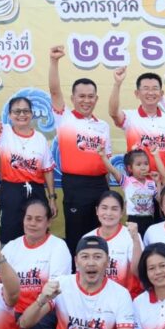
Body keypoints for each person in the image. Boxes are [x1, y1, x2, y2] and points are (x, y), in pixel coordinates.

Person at [47, 45, 112, 251]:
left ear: (96, 99)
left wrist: (107, 189)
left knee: (101, 233)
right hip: (75, 186)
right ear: (73, 98)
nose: (86, 100)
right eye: (81, 96)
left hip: (100, 185)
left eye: (90, 96)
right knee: (77, 235)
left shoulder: (103, 126)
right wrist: (54, 61)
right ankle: (76, 269)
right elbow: (54, 90)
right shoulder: (64, 118)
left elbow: (106, 163)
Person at [0, 197, 72, 329]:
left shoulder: (58, 246)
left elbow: (55, 291)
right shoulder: (12, 246)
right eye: (29, 218)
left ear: (48, 222)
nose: (32, 223)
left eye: (39, 219)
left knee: (39, 325)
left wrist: (30, 314)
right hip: (13, 308)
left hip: (45, 308)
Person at [0, 95, 57, 242]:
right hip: (11, 191)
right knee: (9, 236)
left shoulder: (40, 139)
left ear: (31, 114)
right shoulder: (3, 132)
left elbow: (47, 170)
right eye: (17, 111)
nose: (21, 115)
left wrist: (52, 198)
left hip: (36, 191)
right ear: (10, 115)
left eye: (25, 111)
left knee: (37, 234)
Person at [109, 70, 165, 171]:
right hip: (138, 179)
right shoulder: (130, 117)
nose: (150, 93)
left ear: (161, 94)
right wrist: (117, 84)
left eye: (155, 88)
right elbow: (113, 113)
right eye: (146, 88)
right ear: (137, 93)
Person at [86, 191, 143, 296]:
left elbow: (139, 272)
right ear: (97, 210)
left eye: (114, 209)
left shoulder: (131, 235)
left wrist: (135, 239)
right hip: (96, 298)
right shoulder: (87, 239)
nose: (108, 213)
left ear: (122, 212)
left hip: (126, 298)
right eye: (104, 208)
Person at [102, 147, 165, 234]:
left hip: (150, 219)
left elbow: (160, 199)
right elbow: (113, 171)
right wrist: (103, 156)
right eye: (138, 165)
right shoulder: (127, 181)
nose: (143, 168)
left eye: (146, 164)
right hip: (133, 220)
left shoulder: (151, 183)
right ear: (130, 168)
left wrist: (158, 182)